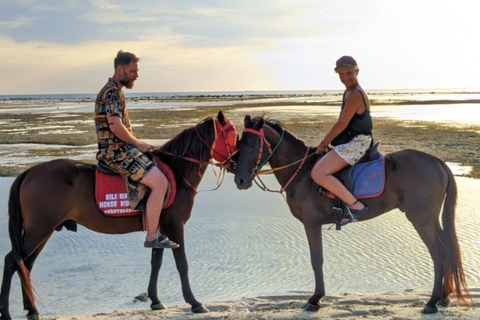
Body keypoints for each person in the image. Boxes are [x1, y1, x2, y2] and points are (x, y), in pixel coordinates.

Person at [94, 50, 179, 249]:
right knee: (160, 183)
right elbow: (115, 125)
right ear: (120, 69)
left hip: (121, 149)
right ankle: (152, 237)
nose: (136, 76)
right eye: (133, 71)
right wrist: (137, 143)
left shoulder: (113, 90)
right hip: (117, 154)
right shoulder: (113, 92)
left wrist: (138, 143)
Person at [310, 56, 373, 225]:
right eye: (341, 74)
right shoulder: (350, 92)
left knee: (318, 173)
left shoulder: (354, 94)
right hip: (355, 139)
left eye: (349, 73)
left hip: (358, 143)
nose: (345, 77)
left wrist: (324, 143)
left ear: (357, 71)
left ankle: (356, 206)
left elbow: (342, 123)